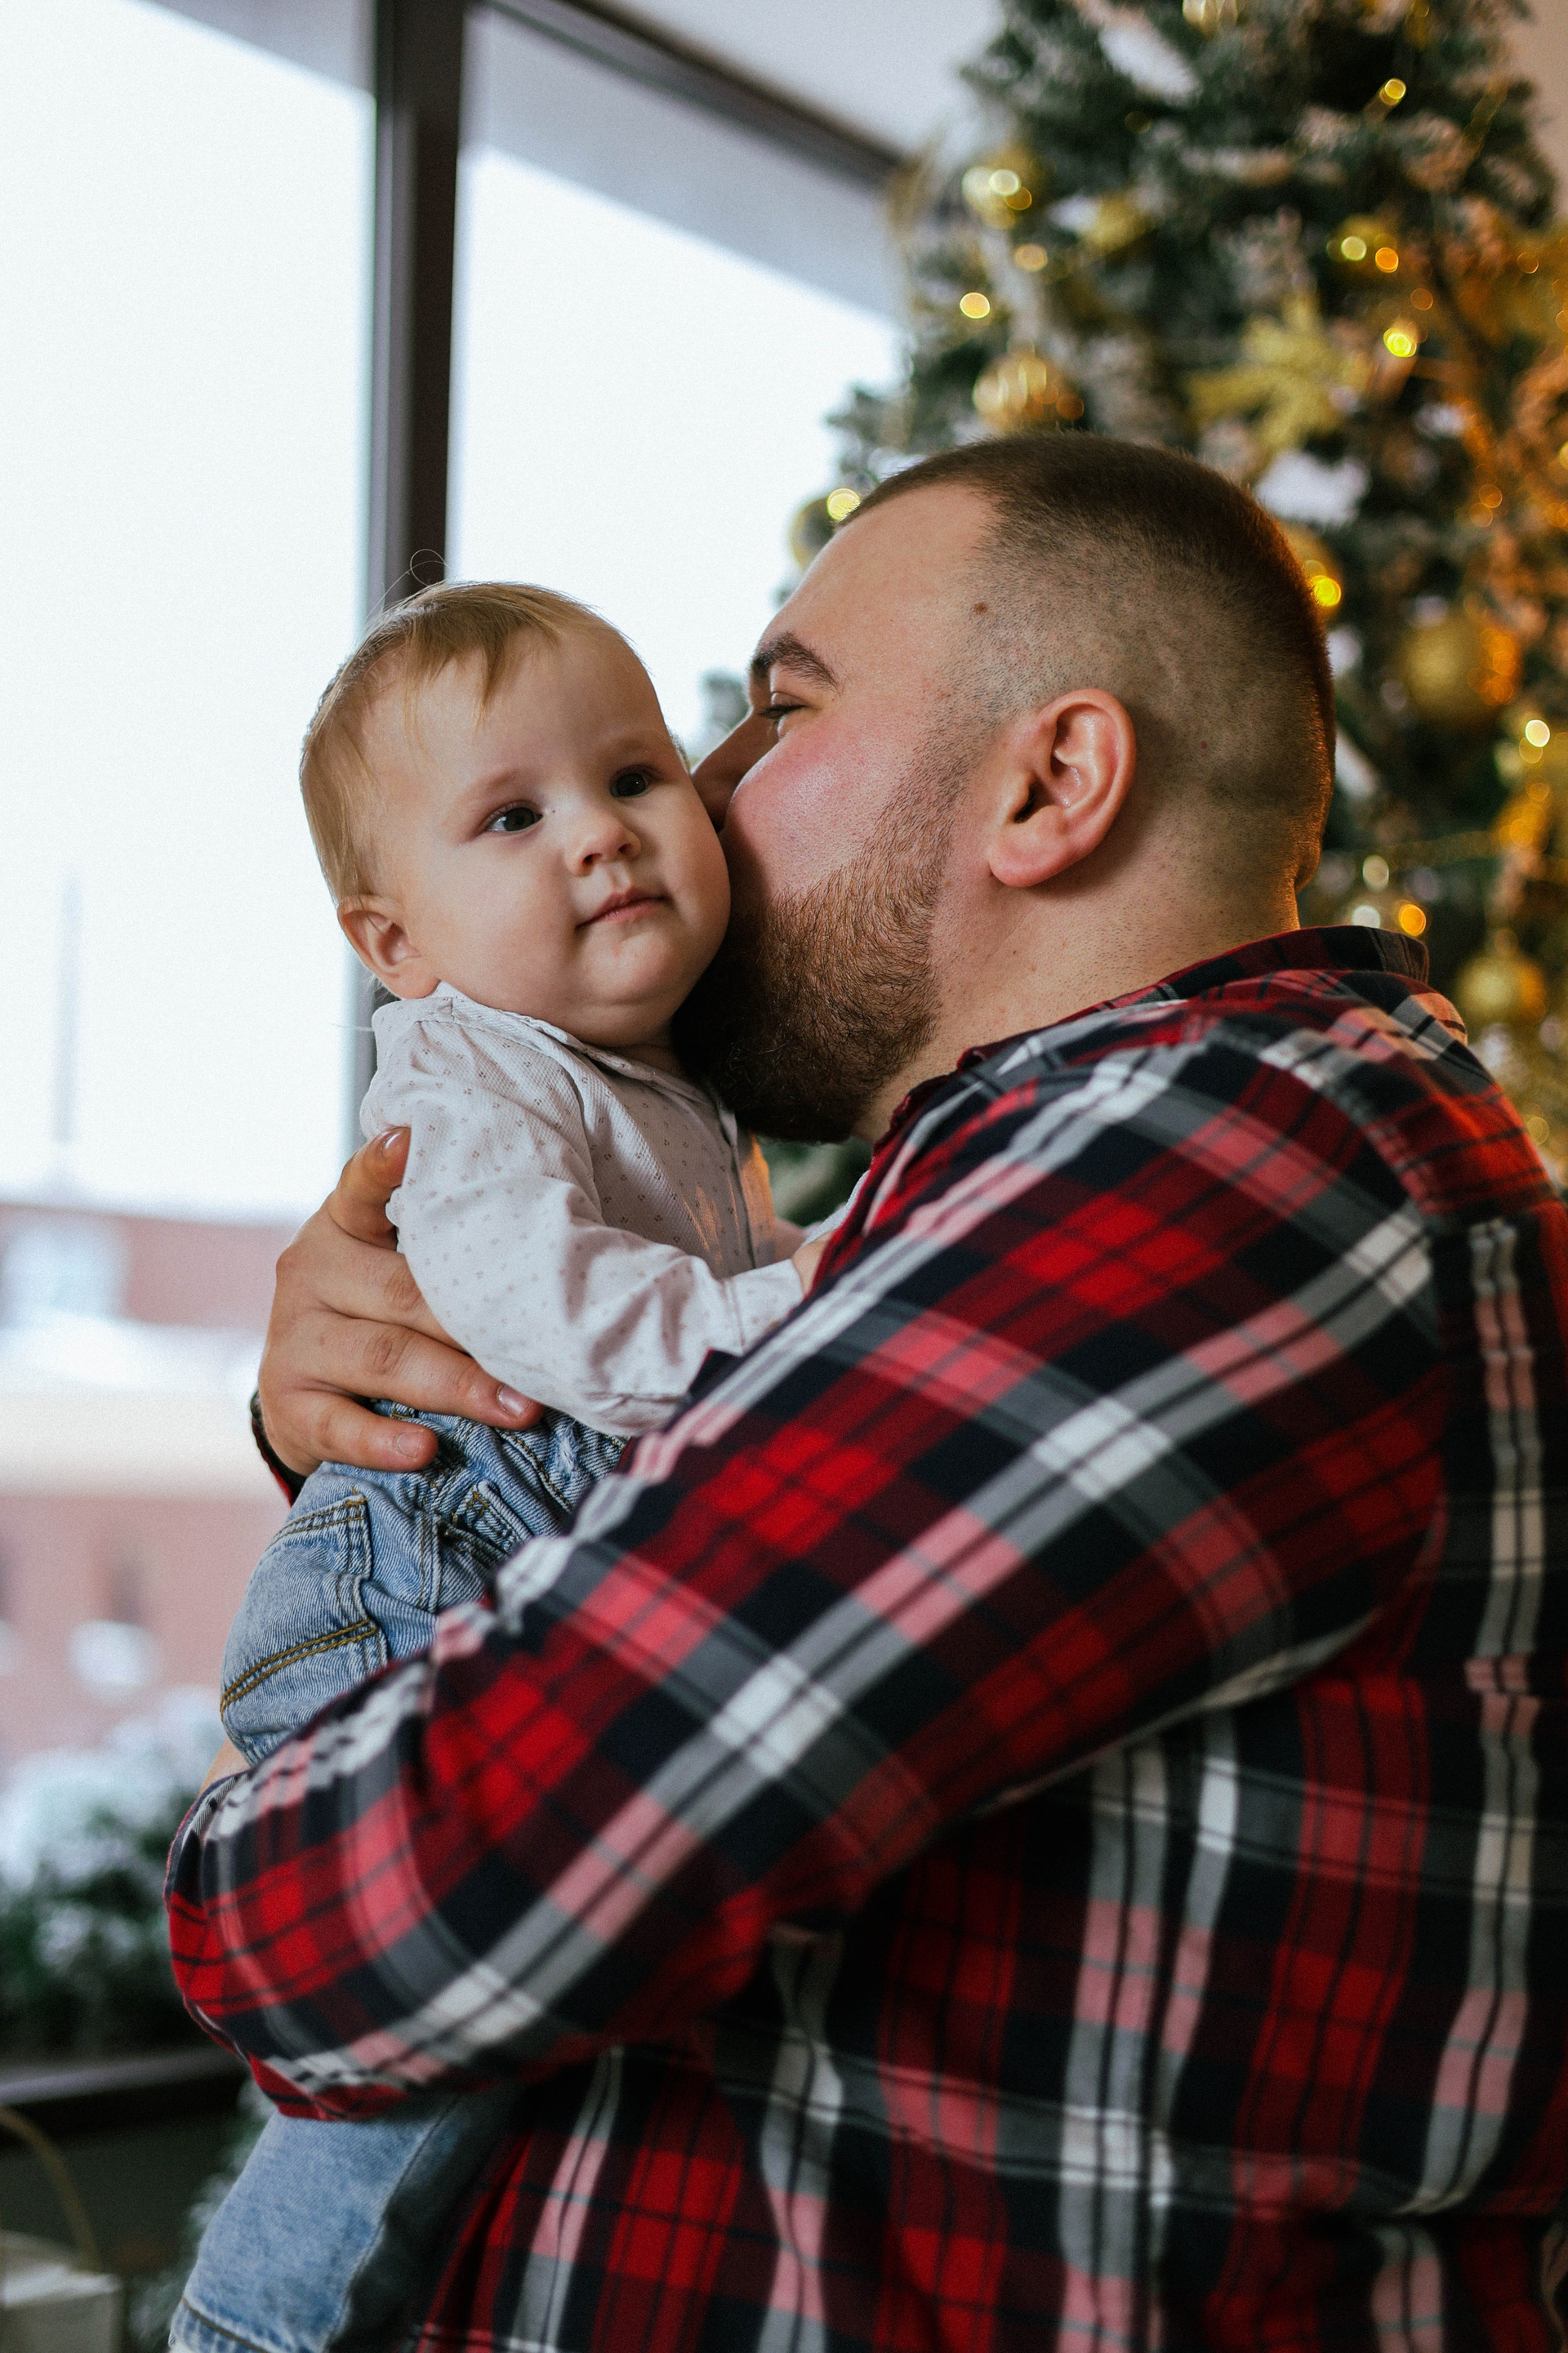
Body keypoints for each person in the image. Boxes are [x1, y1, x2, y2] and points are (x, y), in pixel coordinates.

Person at [168, 435, 1568, 2351]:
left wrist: (263, 1822)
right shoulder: (1060, 1178)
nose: (702, 791)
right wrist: (396, 1432)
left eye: (780, 709)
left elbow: (379, 1920)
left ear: (1050, 786)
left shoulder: (1200, 1179)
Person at [179, 582, 826, 2353]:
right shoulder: (465, 1076)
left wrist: (797, 1263)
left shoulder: (659, 1079)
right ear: (395, 942)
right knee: (422, 2044)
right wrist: (814, 1302)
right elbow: (562, 1317)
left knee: (504, 2020)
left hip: (490, 1559)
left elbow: (698, 1285)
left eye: (636, 775)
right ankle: (252, 2328)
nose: (603, 833)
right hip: (413, 1576)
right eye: (515, 816)